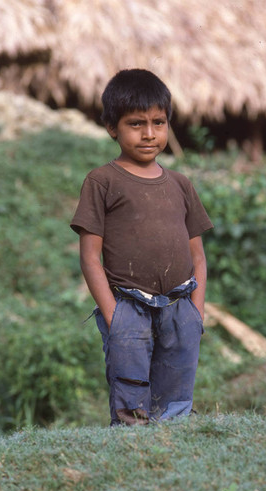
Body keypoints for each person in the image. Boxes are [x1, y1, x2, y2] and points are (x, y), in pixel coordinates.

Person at [70, 69, 213, 426]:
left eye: (158, 122)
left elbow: (197, 254)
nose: (149, 134)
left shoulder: (180, 184)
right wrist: (112, 315)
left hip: (181, 306)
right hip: (127, 308)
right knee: (131, 403)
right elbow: (90, 257)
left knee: (176, 399)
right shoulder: (102, 181)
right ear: (111, 127)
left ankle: (171, 458)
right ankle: (134, 456)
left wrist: (196, 313)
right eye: (136, 124)